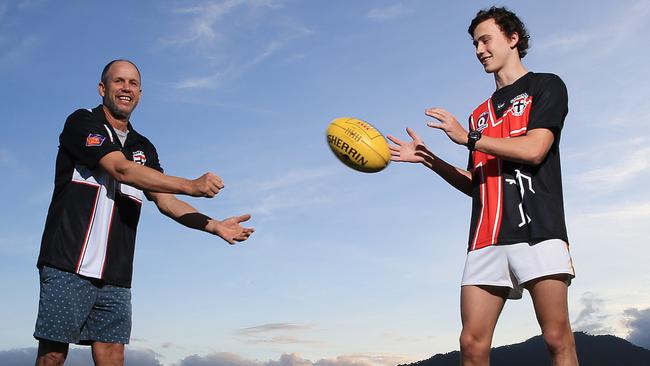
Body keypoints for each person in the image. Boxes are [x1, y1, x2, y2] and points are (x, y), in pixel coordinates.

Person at [387, 7, 578, 366]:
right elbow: (477, 185)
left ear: (512, 38)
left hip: (539, 230)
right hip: (486, 238)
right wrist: (431, 159)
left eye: (486, 40)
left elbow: (536, 150)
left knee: (556, 338)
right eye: (475, 44)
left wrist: (469, 138)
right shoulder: (479, 113)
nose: (479, 50)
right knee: (472, 344)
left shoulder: (546, 85)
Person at [34, 59, 255, 366]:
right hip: (67, 262)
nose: (126, 88)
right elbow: (121, 170)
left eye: (133, 83)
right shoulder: (82, 123)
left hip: (116, 273)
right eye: (118, 81)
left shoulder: (144, 147)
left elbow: (165, 201)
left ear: (139, 93)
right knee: (53, 355)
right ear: (103, 88)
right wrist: (191, 185)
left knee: (113, 354)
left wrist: (214, 225)